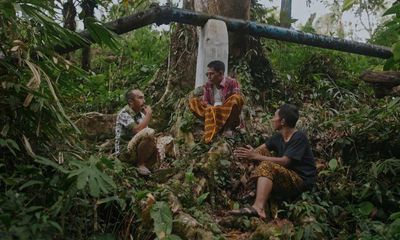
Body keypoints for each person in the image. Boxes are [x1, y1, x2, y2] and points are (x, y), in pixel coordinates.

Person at [230, 104, 316, 219]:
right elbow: (260, 150)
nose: (272, 119)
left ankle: (258, 208)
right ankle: (252, 189)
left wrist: (256, 156)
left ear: (283, 121)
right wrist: (251, 153)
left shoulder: (299, 138)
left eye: (275, 116)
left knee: (267, 164)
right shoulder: (278, 136)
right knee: (261, 153)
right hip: (285, 175)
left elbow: (285, 162)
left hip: (300, 180)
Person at [189, 60, 244, 143]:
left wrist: (221, 107)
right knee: (193, 102)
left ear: (221, 73)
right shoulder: (208, 85)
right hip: (212, 112)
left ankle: (227, 128)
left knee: (236, 98)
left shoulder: (232, 82)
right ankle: (210, 126)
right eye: (207, 74)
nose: (209, 76)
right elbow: (205, 101)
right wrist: (209, 107)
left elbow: (236, 99)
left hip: (226, 111)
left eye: (212, 74)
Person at [115, 89, 158, 176]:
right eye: (140, 98)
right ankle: (140, 164)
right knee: (149, 132)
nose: (144, 101)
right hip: (125, 151)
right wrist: (148, 115)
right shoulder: (124, 113)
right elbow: (137, 131)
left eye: (143, 98)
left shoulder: (141, 115)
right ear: (131, 102)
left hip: (136, 148)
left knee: (163, 139)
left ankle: (150, 165)